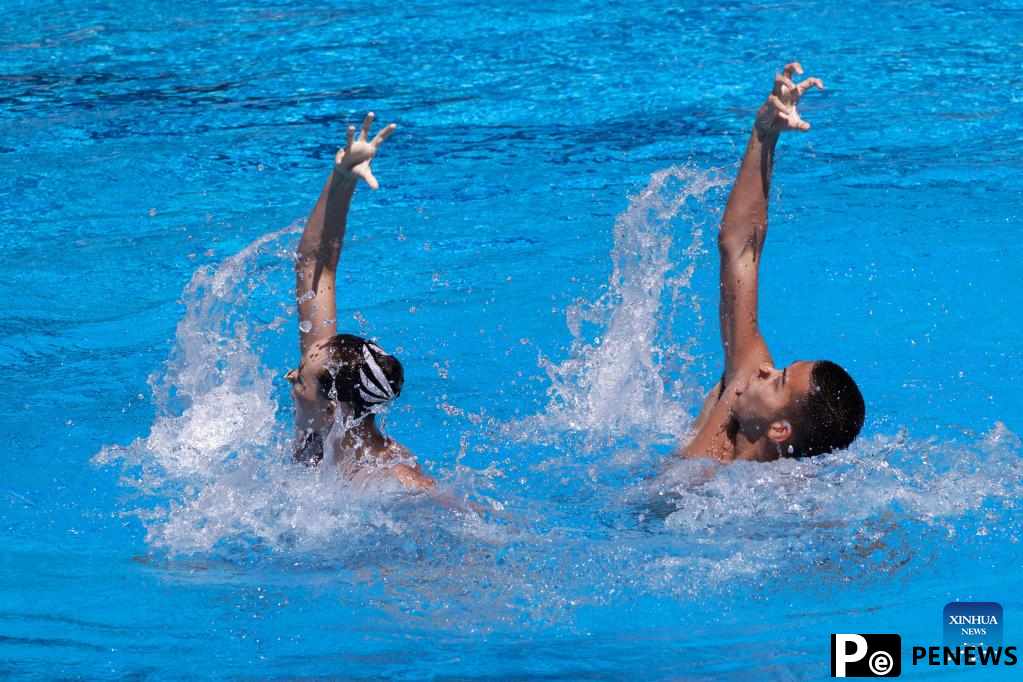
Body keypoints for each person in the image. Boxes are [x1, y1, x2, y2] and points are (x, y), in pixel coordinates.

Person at [680, 63, 865, 462]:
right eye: (779, 368)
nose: (765, 369)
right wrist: (763, 135)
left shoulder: (779, 506)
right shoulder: (746, 380)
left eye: (778, 381)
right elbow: (740, 249)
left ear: (780, 429)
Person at [286, 112, 434, 489]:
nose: (289, 376)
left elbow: (471, 518)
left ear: (331, 407)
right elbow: (313, 267)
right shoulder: (318, 429)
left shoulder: (391, 478)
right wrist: (341, 180)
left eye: (301, 380)